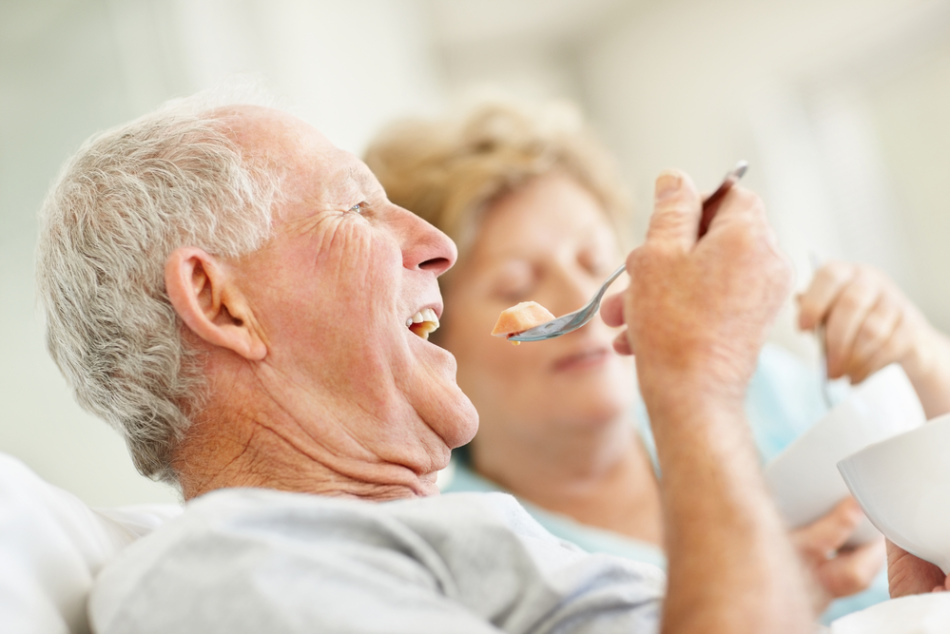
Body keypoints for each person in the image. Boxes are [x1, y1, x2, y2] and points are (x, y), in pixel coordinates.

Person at [36, 90, 816, 632]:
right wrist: (698, 384)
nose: (439, 248)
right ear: (219, 303)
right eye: (355, 209)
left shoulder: (438, 535)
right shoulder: (225, 574)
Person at [363, 99, 950, 622]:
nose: (579, 303)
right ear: (433, 336)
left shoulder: (759, 387)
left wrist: (922, 363)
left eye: (595, 262)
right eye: (518, 284)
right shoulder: (467, 542)